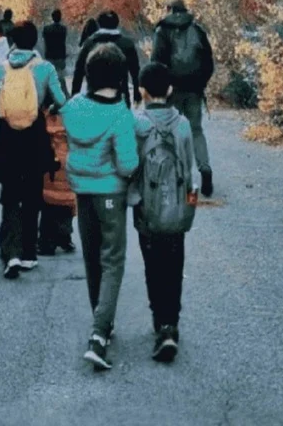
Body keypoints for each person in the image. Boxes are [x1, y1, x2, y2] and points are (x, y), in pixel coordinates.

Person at [60, 44, 139, 372]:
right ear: (120, 78)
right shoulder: (120, 114)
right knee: (112, 261)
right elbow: (127, 164)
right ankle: (99, 333)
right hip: (111, 196)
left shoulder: (74, 107)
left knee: (91, 257)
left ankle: (100, 317)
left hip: (82, 192)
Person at [131, 62, 199, 363]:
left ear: (142, 91)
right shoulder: (182, 125)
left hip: (147, 209)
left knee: (153, 265)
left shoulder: (137, 123)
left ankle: (160, 322)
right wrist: (190, 206)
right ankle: (172, 323)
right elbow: (190, 168)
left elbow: (132, 168)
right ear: (170, 90)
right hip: (176, 210)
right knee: (174, 264)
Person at [0, 20, 67, 277]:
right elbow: (61, 100)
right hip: (35, 135)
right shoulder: (45, 68)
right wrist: (50, 109)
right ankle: (28, 252)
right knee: (33, 192)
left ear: (12, 41)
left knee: (10, 194)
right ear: (36, 41)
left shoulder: (2, 69)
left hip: (7, 137)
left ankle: (10, 252)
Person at [151, 0, 215, 197]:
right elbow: (208, 63)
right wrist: (201, 83)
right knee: (196, 130)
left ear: (169, 9)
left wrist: (161, 87)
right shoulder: (197, 30)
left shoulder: (163, 30)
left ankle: (182, 177)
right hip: (194, 90)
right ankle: (204, 167)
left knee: (174, 132)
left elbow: (156, 62)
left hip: (172, 90)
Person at [72, 10, 141, 105]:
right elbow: (135, 71)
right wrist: (136, 92)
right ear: (117, 23)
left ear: (99, 24)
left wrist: (74, 96)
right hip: (121, 97)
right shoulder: (127, 44)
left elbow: (78, 72)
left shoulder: (89, 44)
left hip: (94, 97)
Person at [37, 108, 76, 256]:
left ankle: (46, 241)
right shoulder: (69, 115)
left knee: (48, 200)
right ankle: (65, 236)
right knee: (66, 198)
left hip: (49, 161)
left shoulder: (40, 117)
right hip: (67, 160)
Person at [41, 8, 69, 90]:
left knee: (49, 77)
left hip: (49, 56)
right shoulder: (63, 29)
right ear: (60, 17)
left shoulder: (46, 29)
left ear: (52, 17)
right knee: (60, 77)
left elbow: (45, 40)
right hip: (60, 57)